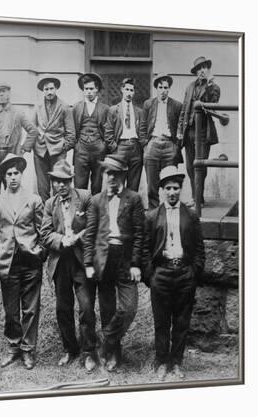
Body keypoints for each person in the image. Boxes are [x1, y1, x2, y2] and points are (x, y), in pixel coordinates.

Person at [83, 155, 145, 372]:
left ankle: (107, 341)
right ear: (103, 175)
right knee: (107, 308)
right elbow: (90, 234)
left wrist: (136, 263)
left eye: (116, 173)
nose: (112, 177)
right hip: (103, 260)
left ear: (123, 176)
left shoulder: (134, 199)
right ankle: (114, 354)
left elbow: (139, 235)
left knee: (129, 308)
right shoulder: (95, 200)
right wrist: (89, 263)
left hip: (125, 260)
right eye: (108, 172)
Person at [145, 165, 205, 380]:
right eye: (168, 188)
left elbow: (199, 248)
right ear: (161, 190)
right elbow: (145, 249)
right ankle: (161, 361)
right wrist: (151, 276)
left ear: (181, 189)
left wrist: (194, 272)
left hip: (184, 274)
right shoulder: (152, 217)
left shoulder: (190, 215)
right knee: (161, 321)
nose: (172, 192)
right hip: (161, 274)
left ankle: (177, 362)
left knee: (181, 321)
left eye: (176, 188)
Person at [0, 154, 45, 370]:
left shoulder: (34, 200)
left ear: (22, 175)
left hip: (30, 262)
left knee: (30, 309)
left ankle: (28, 350)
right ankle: (13, 348)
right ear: (4, 177)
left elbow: (43, 230)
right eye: (9, 174)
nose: (13, 177)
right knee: (11, 311)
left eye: (16, 173)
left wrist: (40, 253)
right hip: (7, 263)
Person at [40, 160, 96, 371]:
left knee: (86, 307)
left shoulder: (84, 197)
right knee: (63, 308)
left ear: (71, 181)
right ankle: (70, 349)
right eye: (57, 181)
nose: (61, 185)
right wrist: (62, 240)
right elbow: (45, 234)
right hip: (60, 262)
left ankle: (89, 352)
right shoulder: (49, 204)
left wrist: (77, 237)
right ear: (53, 182)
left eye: (64, 181)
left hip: (81, 261)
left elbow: (92, 225)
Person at [0, 83, 38, 207]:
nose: (1, 94)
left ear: (9, 94)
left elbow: (33, 130)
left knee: (12, 191)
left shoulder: (18, 113)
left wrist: (23, 149)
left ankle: (12, 222)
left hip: (10, 158)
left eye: (4, 91)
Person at [177, 56, 221, 206]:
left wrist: (209, 85)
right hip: (188, 131)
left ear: (208, 70)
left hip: (202, 131)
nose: (202, 70)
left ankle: (198, 200)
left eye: (204, 67)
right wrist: (180, 130)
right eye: (199, 68)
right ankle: (197, 198)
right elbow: (184, 110)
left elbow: (213, 104)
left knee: (200, 166)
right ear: (196, 71)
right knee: (190, 166)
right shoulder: (189, 87)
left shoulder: (214, 87)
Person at [142, 74, 183, 210]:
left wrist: (176, 146)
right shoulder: (148, 104)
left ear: (169, 88)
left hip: (169, 144)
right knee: (151, 185)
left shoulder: (177, 105)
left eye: (166, 87)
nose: (163, 90)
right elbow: (142, 125)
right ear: (156, 88)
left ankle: (170, 211)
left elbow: (180, 127)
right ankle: (154, 212)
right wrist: (145, 144)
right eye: (160, 87)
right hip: (153, 143)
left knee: (170, 181)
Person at [31, 77, 76, 202]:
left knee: (59, 185)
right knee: (42, 187)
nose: (49, 92)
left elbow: (71, 132)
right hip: (40, 150)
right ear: (43, 91)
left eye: (51, 88)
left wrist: (63, 147)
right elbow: (32, 128)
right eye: (46, 89)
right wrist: (33, 146)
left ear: (56, 89)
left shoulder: (65, 106)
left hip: (58, 151)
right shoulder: (37, 106)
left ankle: (58, 215)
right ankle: (46, 216)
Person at [104, 78, 146, 192]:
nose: (129, 93)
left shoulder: (139, 111)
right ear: (122, 90)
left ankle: (131, 208)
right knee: (118, 182)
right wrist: (114, 148)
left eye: (131, 90)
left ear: (134, 92)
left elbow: (142, 131)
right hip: (120, 147)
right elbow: (108, 132)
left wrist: (142, 148)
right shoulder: (113, 110)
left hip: (135, 147)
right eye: (127, 89)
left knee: (134, 183)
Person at [72, 73, 110, 195]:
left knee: (97, 185)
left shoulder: (105, 109)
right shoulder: (77, 107)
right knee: (79, 185)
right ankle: (80, 212)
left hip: (98, 151)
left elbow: (108, 130)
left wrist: (103, 146)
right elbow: (72, 129)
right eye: (86, 89)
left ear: (97, 89)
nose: (89, 92)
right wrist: (76, 145)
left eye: (91, 89)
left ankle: (95, 212)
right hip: (81, 151)